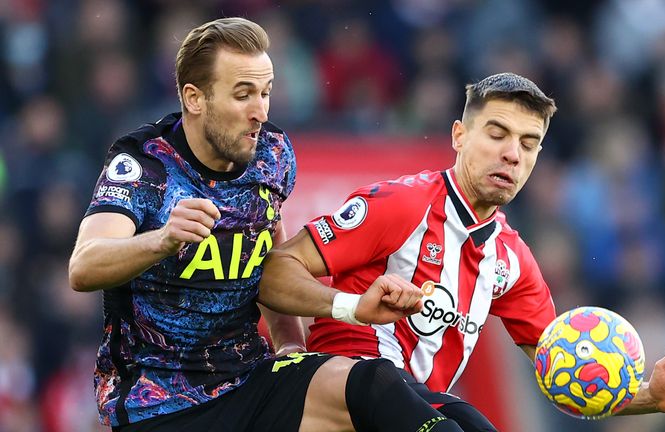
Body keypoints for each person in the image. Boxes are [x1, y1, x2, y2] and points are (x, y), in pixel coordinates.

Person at [68, 17, 465, 432]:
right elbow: (84, 266)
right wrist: (162, 240)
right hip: (161, 405)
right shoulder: (144, 166)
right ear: (194, 98)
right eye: (243, 95)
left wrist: (291, 343)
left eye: (266, 93)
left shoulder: (271, 155)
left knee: (385, 388)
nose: (259, 112)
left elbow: (269, 259)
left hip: (247, 379)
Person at [259, 72, 665, 431]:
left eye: (528, 143)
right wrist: (348, 309)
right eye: (497, 133)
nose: (513, 154)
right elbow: (275, 273)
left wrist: (649, 397)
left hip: (416, 410)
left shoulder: (512, 261)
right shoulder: (401, 204)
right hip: (345, 398)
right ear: (459, 135)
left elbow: (568, 377)